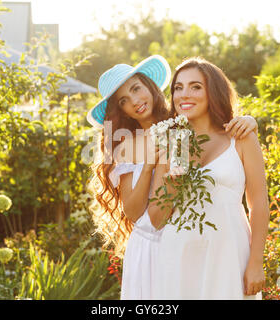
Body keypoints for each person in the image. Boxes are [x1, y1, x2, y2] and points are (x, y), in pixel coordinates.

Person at [86, 55, 259, 299]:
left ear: (149, 86)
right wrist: (148, 167)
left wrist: (249, 121)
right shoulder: (126, 147)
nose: (135, 101)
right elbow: (135, 213)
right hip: (148, 242)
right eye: (124, 100)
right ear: (120, 109)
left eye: (136, 89)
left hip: (191, 238)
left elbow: (216, 132)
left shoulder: (180, 125)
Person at [150, 57, 270, 300]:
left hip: (229, 253)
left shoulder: (241, 136)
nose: (184, 94)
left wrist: (256, 262)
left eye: (196, 86)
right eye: (178, 87)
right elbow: (156, 218)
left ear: (212, 91)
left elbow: (258, 202)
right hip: (179, 255)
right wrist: (176, 173)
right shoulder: (171, 144)